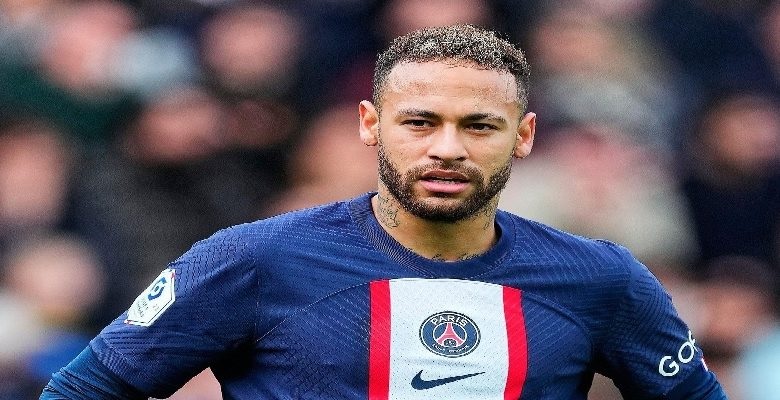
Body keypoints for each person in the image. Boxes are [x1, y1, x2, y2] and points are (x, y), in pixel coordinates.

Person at [40, 25, 727, 399]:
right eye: (420, 122)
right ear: (370, 124)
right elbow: (86, 390)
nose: (447, 148)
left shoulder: (601, 279)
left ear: (524, 136)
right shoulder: (254, 259)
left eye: (479, 125)